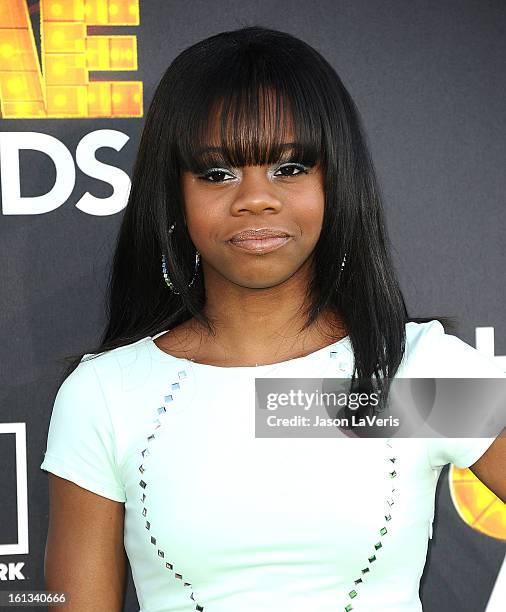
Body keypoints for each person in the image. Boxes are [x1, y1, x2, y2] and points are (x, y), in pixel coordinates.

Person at [40, 25, 505, 612]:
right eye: (216, 173)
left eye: (289, 168)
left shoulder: (415, 370)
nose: (256, 198)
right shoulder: (104, 394)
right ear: (172, 193)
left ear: (335, 181)